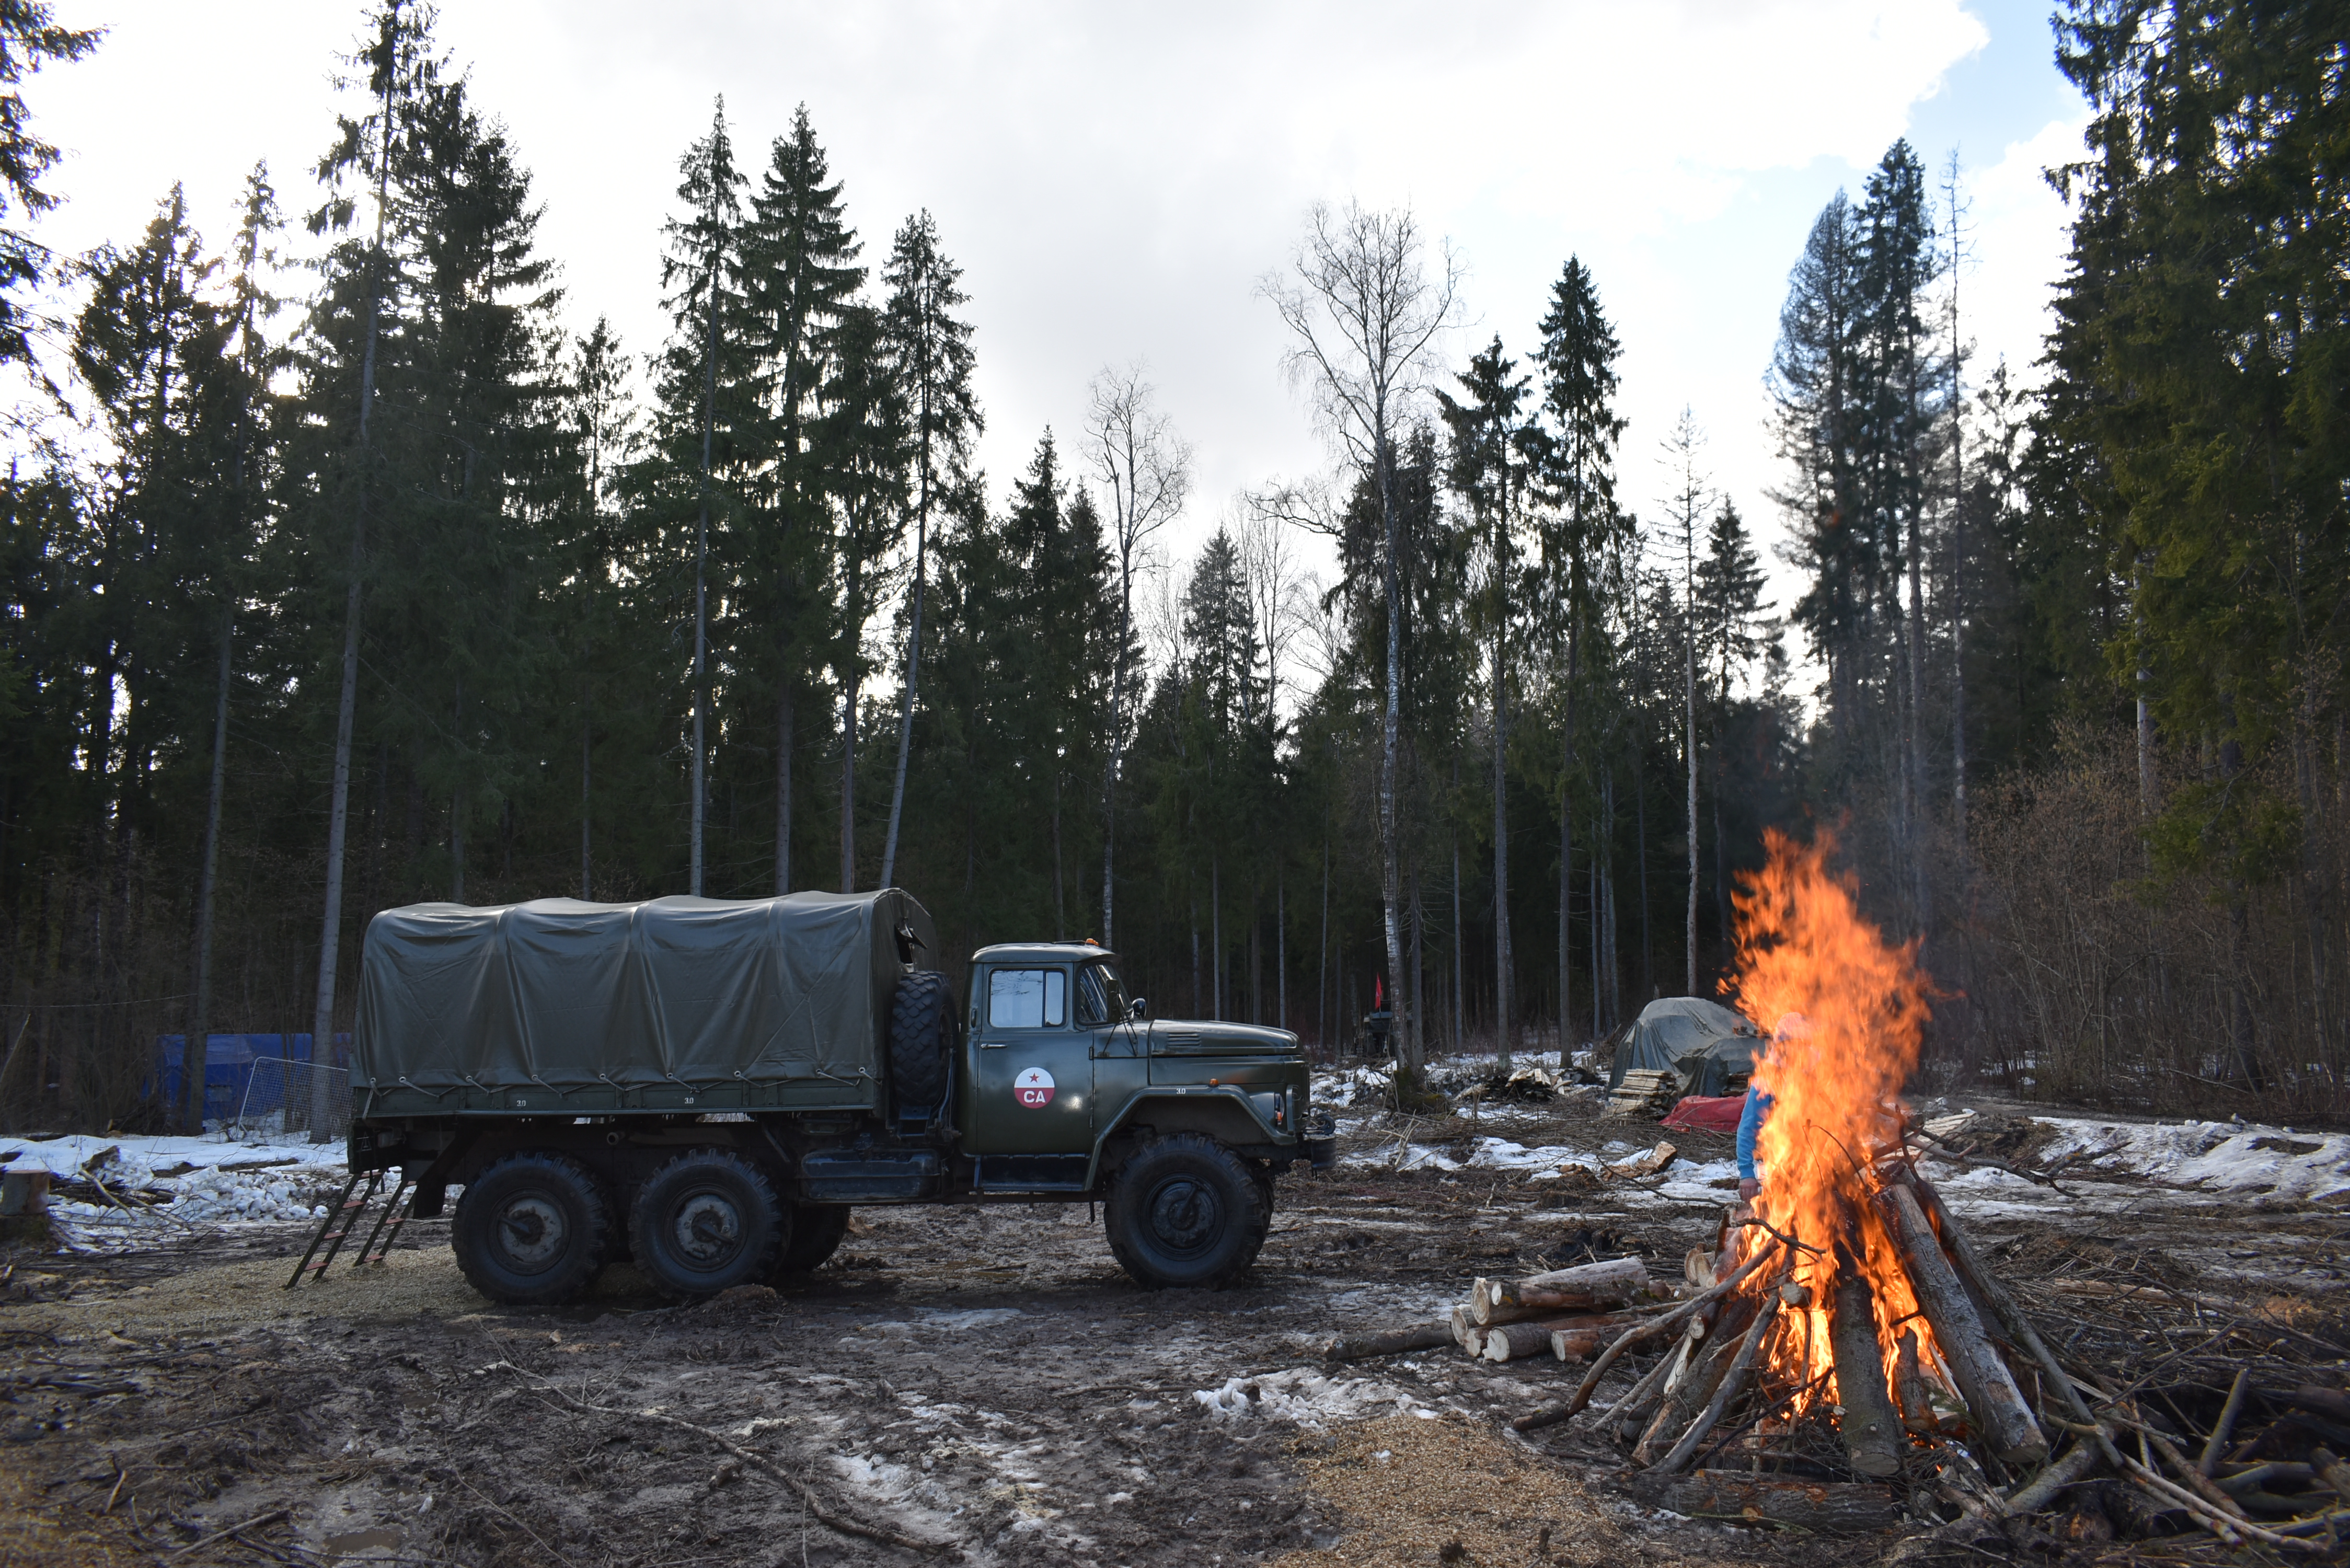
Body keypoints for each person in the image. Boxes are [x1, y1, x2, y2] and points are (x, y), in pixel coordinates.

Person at [1736, 1012, 1808, 1202]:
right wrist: (1747, 1175)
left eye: (1799, 1044)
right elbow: (1747, 1128)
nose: (1794, 1050)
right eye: (1789, 1044)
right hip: (1777, 1167)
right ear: (1779, 1045)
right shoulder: (1767, 1080)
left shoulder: (1817, 1074)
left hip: (1814, 1166)